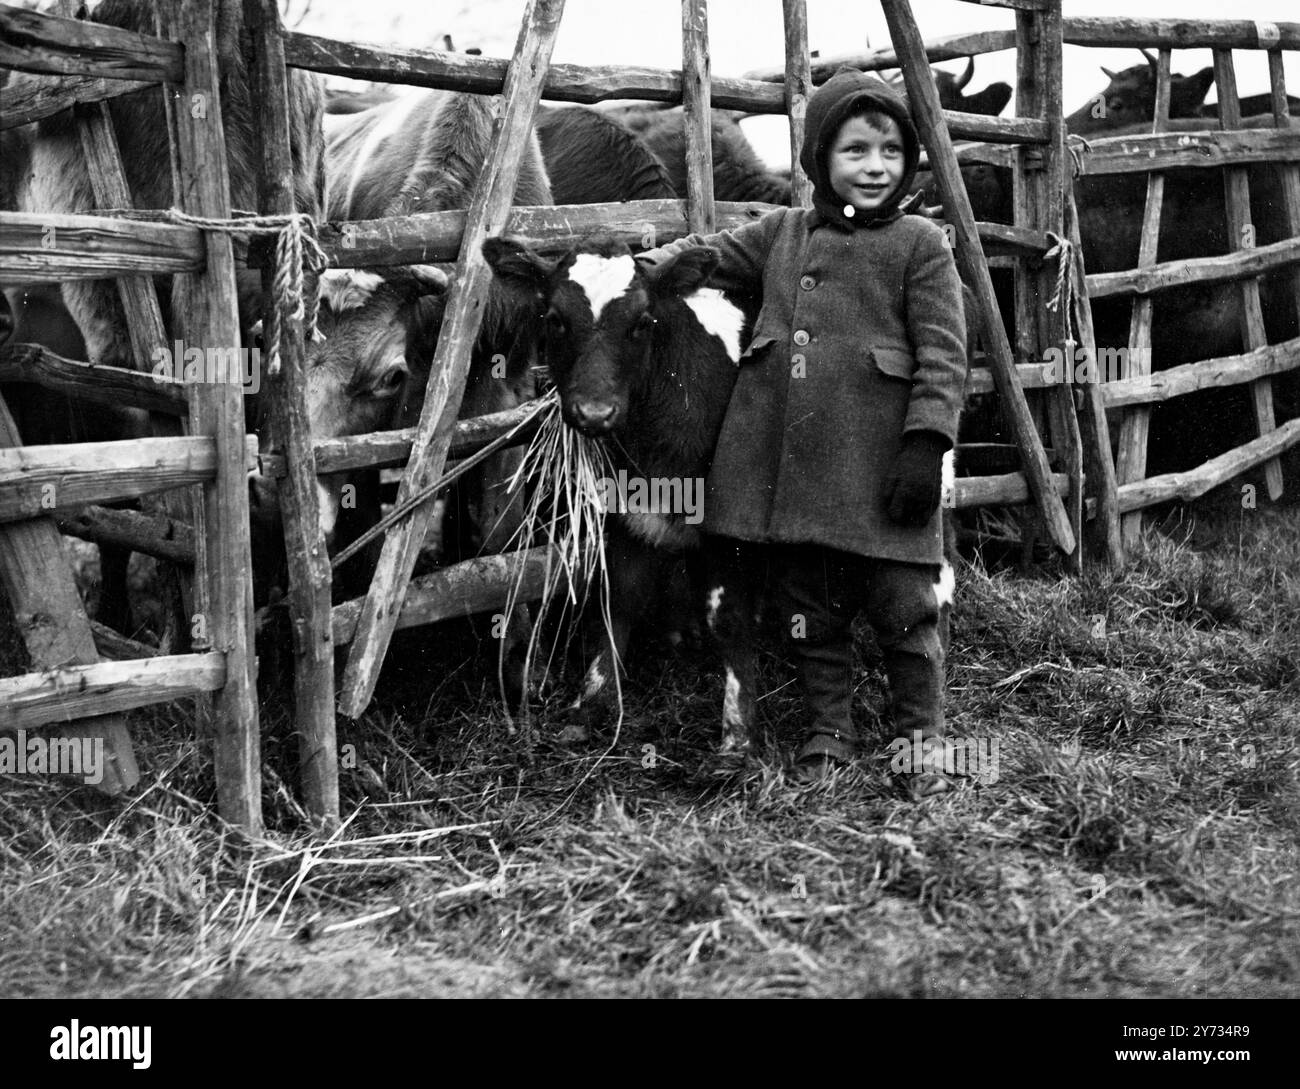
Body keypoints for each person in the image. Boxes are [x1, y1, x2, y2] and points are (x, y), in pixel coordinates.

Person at [639, 68, 968, 796]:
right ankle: (829, 731)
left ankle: (920, 741)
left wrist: (927, 442)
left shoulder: (921, 244)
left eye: (889, 151)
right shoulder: (783, 231)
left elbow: (946, 355)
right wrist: (644, 269)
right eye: (854, 151)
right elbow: (714, 251)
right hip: (794, 472)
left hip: (883, 464)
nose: (874, 166)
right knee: (810, 612)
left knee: (904, 605)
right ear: (820, 159)